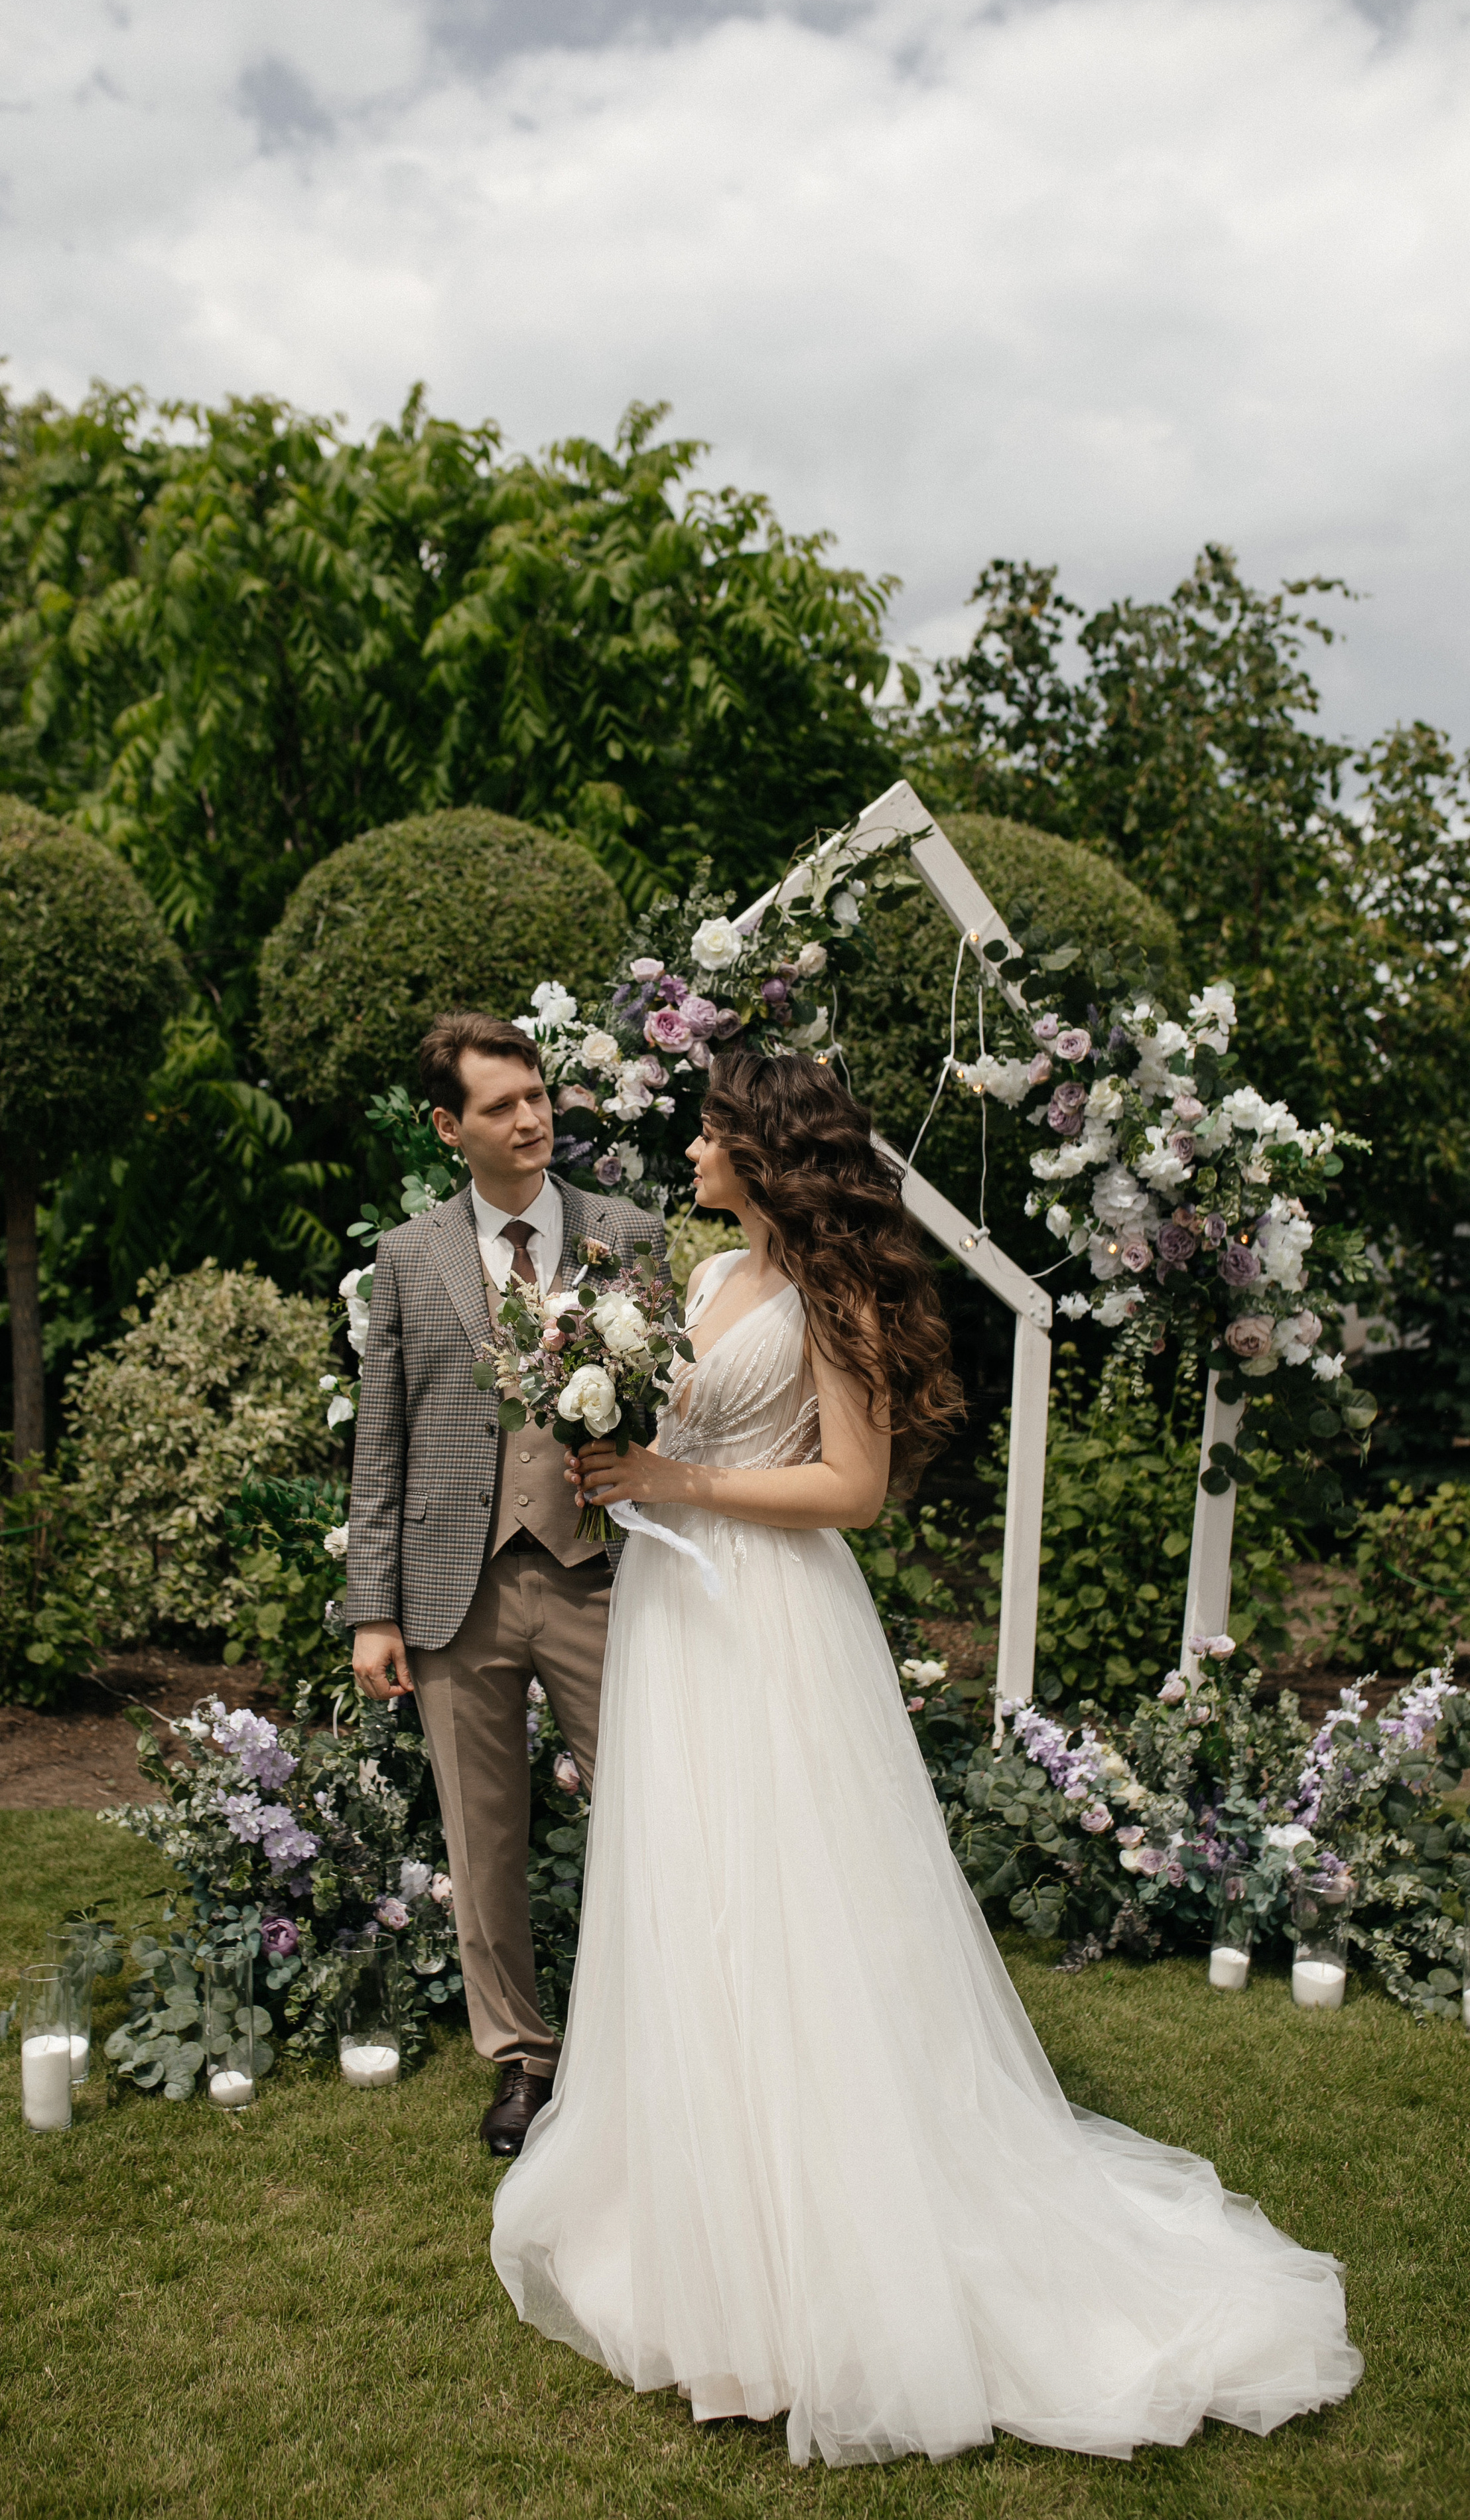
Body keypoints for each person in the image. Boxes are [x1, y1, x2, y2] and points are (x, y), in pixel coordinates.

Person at [490, 1048, 1361, 2467]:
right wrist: (603, 1421)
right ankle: (696, 2207)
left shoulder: (835, 1297)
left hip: (770, 1619)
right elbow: (676, 1421)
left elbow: (854, 1490)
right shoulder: (707, 1283)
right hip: (675, 1612)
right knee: (690, 1888)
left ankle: (827, 2228)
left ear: (765, 1153)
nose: (691, 1150)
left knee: (790, 1902)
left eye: (711, 1131)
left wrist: (675, 1481)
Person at [345, 1010, 665, 2156]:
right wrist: (371, 1609)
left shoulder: (628, 1233)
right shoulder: (408, 1255)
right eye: (500, 1107)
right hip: (453, 1586)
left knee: (653, 1813)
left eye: (536, 1095)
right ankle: (524, 2062)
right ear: (450, 1128)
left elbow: (676, 1402)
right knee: (483, 1844)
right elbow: (381, 1437)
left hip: (602, 1575)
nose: (531, 1119)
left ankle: (656, 2044)